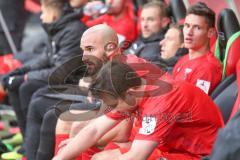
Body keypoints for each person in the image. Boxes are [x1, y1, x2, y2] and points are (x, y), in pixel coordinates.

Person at [52, 60, 224, 160]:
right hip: (169, 148)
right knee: (88, 149)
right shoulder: (133, 88)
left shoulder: (160, 103)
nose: (111, 109)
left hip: (199, 155)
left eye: (113, 104)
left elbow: (137, 156)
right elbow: (94, 129)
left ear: (130, 93)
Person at [25, 24, 149, 160]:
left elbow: (123, 131)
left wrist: (80, 141)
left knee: (83, 137)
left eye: (90, 49)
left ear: (111, 48)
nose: (84, 57)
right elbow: (110, 116)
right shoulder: (111, 67)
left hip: (146, 139)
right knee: (66, 121)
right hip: (134, 131)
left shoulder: (125, 72)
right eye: (83, 50)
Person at [1, 0, 87, 158]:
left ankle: (30, 149)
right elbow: (45, 58)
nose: (41, 17)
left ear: (53, 14)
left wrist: (26, 77)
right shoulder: (57, 27)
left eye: (43, 12)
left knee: (29, 88)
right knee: (14, 84)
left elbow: (61, 71)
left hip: (73, 82)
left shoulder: (73, 31)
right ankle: (27, 141)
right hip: (60, 79)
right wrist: (19, 72)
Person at [170, 2, 222, 95]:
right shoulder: (183, 59)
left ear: (210, 32)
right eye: (187, 26)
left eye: (197, 27)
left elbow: (192, 105)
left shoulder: (208, 68)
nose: (189, 32)